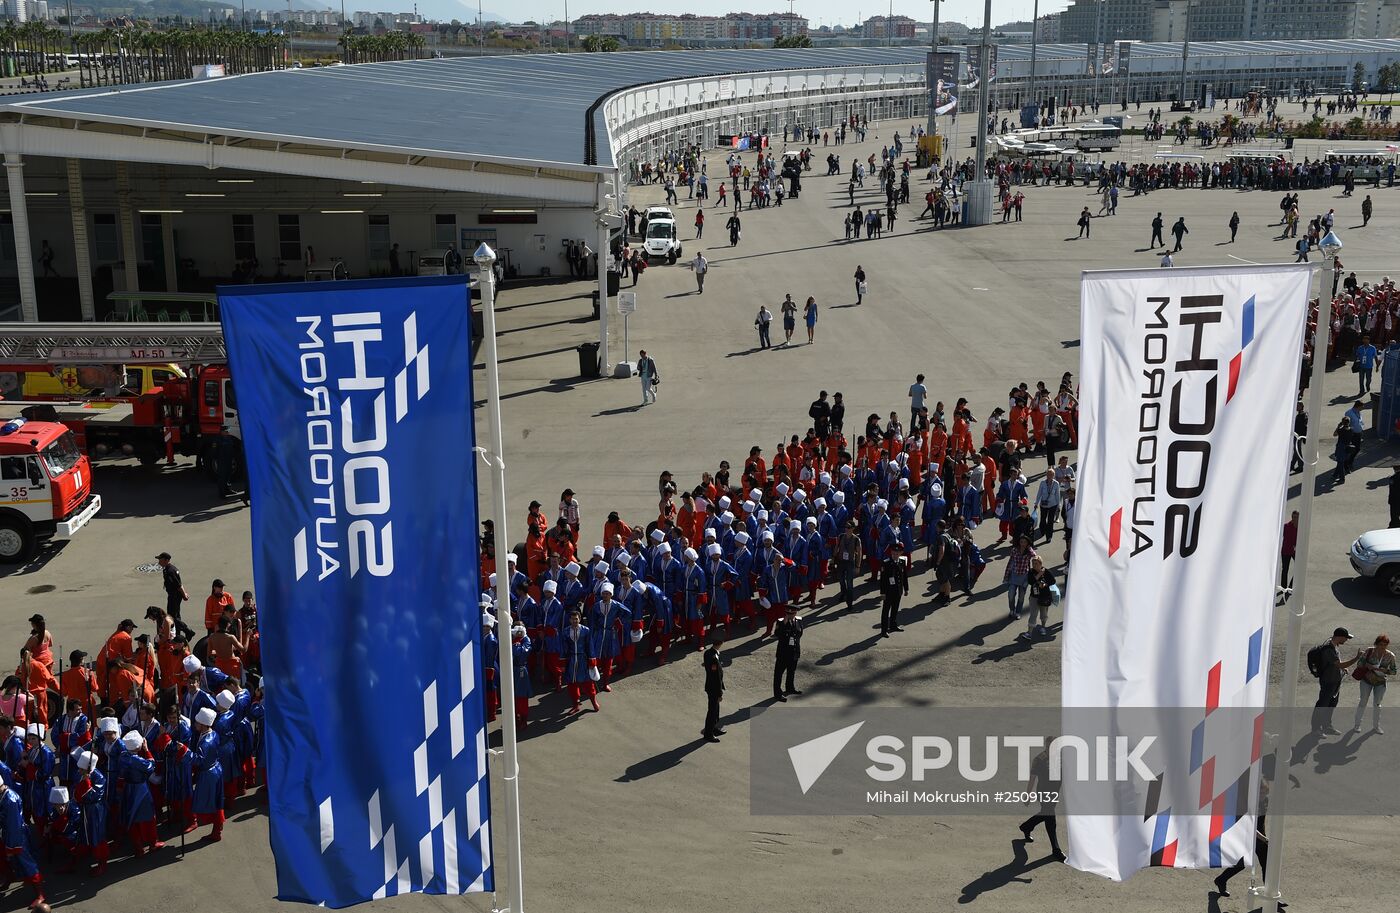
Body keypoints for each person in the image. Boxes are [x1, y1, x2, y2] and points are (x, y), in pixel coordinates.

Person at [1018, 746, 1064, 861]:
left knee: (1045, 813)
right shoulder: (1038, 760)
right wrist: (1028, 795)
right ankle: (1056, 849)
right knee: (1050, 817)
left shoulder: (1061, 758)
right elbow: (1032, 779)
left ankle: (1026, 826)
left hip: (1054, 793)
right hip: (1043, 793)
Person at [1310, 626, 1358, 735]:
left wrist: (1342, 669)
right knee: (1322, 705)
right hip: (1328, 682)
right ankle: (1316, 729)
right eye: (1346, 638)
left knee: (1331, 705)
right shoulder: (1328, 649)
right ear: (1340, 637)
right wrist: (1356, 658)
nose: (1346, 640)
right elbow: (1339, 664)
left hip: (1335, 681)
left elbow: (1337, 663)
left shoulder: (1334, 645)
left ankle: (1327, 726)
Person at [1351, 633, 1396, 733]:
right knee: (1363, 702)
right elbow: (1359, 664)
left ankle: (1376, 726)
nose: (1382, 646)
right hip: (1366, 680)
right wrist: (1368, 665)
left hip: (1380, 682)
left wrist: (1385, 671)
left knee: (1377, 704)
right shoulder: (1369, 651)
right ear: (1376, 644)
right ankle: (1357, 725)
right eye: (1380, 644)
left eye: (1385, 644)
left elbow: (1394, 671)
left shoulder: (1390, 656)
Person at [157, 552, 195, 640]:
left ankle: (188, 631)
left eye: (160, 559)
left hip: (174, 596)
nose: (159, 562)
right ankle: (177, 634)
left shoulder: (171, 571)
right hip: (172, 595)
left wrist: (184, 594)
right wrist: (184, 594)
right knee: (175, 616)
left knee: (172, 617)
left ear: (166, 560)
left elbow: (178, 585)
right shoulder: (167, 569)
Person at [772, 605, 803, 701]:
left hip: (794, 652)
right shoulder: (781, 622)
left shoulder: (799, 620)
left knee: (791, 672)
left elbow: (800, 633)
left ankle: (790, 688)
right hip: (783, 653)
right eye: (788, 614)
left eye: (793, 613)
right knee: (778, 674)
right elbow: (777, 634)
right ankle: (777, 694)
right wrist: (784, 624)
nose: (791, 615)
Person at [878, 541, 909, 637]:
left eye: (897, 553)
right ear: (891, 553)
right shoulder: (886, 563)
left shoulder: (902, 562)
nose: (895, 555)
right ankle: (884, 630)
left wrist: (906, 588)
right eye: (893, 553)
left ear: (900, 553)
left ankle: (893, 625)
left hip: (898, 591)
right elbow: (882, 580)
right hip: (888, 592)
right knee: (886, 610)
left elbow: (904, 576)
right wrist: (882, 593)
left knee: (895, 609)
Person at [1021, 556, 1056, 640]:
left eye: (1036, 563)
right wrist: (1039, 574)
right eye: (1033, 563)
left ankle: (1043, 627)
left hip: (1044, 597)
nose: (1034, 565)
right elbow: (1031, 581)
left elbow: (1053, 581)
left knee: (1043, 614)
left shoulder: (1046, 571)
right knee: (1033, 614)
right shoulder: (1031, 572)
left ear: (1040, 564)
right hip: (1034, 596)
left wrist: (1044, 584)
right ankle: (1029, 632)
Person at [1003, 535, 1036, 619]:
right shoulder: (1014, 550)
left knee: (1021, 597)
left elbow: (1034, 555)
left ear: (1028, 543)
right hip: (1014, 576)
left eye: (1025, 542)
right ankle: (1012, 610)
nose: (1023, 544)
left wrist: (1029, 547)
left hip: (1024, 577)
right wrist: (1006, 575)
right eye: (1021, 542)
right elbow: (1010, 562)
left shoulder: (1029, 552)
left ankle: (1018, 612)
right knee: (1011, 595)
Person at [701, 634, 725, 742]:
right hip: (713, 688)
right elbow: (716, 678)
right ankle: (708, 734)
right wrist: (719, 693)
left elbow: (706, 664)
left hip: (710, 686)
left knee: (716, 711)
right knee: (712, 711)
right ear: (720, 644)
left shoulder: (708, 653)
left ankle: (713, 728)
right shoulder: (714, 657)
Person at [1280, 510, 1298, 588]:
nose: (1295, 519)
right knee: (1285, 570)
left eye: (1297, 517)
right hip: (1286, 551)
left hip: (1294, 552)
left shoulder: (1301, 527)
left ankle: (1291, 585)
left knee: (1299, 568)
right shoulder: (1286, 526)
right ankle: (1284, 588)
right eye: (1293, 517)